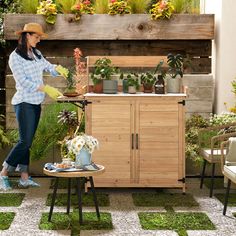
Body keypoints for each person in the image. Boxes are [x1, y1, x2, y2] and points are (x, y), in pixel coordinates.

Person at [0, 23, 68, 190]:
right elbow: (22, 81)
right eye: (36, 37)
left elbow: (47, 66)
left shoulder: (36, 53)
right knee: (24, 141)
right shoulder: (15, 57)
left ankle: (24, 177)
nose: (39, 40)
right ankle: (3, 174)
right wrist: (44, 88)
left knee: (28, 142)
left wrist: (57, 69)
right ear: (27, 36)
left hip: (36, 102)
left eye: (39, 37)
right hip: (24, 103)